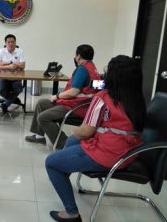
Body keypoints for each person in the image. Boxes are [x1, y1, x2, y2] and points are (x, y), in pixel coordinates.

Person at [44, 55, 145, 222]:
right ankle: (65, 173)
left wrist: (75, 133)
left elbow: (85, 131)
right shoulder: (137, 99)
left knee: (52, 162)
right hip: (128, 151)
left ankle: (71, 213)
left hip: (108, 154)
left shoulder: (104, 96)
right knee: (71, 143)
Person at [27, 44, 101, 148]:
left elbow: (73, 92)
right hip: (82, 104)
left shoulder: (82, 69)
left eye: (76, 55)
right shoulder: (92, 68)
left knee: (43, 117)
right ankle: (39, 137)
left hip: (77, 107)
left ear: (78, 56)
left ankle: (63, 144)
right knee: (41, 103)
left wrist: (56, 96)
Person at [0, 34, 26, 113]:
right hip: (3, 76)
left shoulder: (19, 51)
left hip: (16, 77)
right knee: (1, 90)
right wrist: (8, 66)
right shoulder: (1, 51)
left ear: (15, 43)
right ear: (5, 43)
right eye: (8, 42)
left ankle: (5, 104)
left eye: (12, 42)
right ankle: (13, 99)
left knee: (18, 89)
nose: (10, 44)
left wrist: (15, 65)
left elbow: (23, 66)